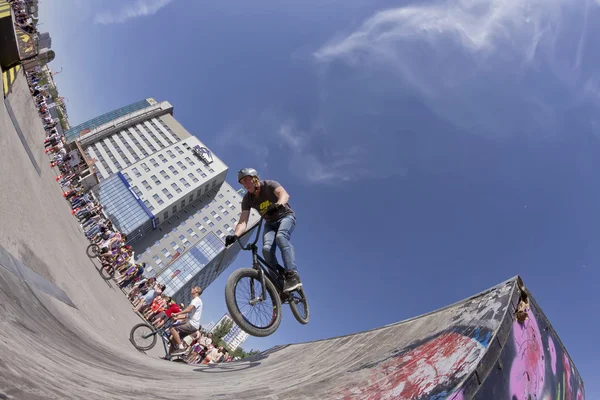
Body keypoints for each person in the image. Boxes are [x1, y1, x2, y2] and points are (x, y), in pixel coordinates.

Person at [225, 168, 302, 293]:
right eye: (242, 183)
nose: (245, 184)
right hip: (270, 223)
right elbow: (243, 220)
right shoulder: (247, 199)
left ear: (255, 178)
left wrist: (278, 204)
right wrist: (235, 235)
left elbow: (284, 195)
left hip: (286, 216)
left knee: (281, 237)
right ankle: (279, 287)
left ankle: (292, 274)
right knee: (266, 249)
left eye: (247, 180)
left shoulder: (269, 184)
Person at [169, 286, 203, 356]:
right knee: (174, 339)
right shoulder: (195, 301)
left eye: (193, 288)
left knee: (172, 328)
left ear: (196, 291)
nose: (191, 289)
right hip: (193, 326)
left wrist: (176, 313)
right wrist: (177, 317)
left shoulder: (196, 300)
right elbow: (186, 315)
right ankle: (169, 356)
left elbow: (188, 309)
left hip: (192, 325)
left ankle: (181, 348)